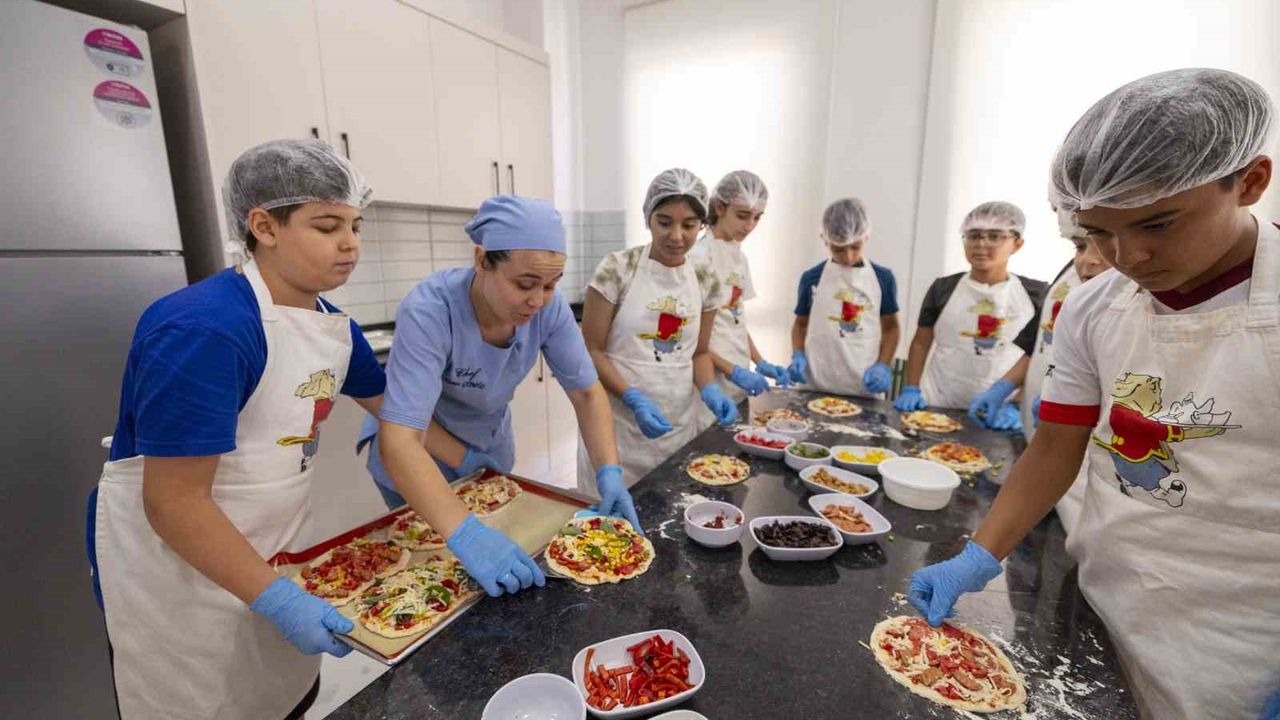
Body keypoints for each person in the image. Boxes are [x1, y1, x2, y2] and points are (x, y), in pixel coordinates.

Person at [907, 68, 1280, 720]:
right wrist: (979, 554)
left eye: (1157, 224)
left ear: (1249, 181)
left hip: (1244, 640)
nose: (1127, 256)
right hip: (1107, 598)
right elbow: (1056, 447)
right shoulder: (1091, 309)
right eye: (1098, 233)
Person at [89, 139, 385, 719]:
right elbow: (174, 502)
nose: (351, 243)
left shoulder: (331, 326)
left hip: (273, 556)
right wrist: (281, 602)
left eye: (355, 226)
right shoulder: (204, 329)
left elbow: (397, 413)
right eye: (327, 226)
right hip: (181, 579)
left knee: (283, 698)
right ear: (263, 227)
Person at [369, 195, 641, 600]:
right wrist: (466, 532)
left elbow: (586, 392)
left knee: (494, 575)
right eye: (525, 284)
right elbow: (402, 440)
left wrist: (609, 472)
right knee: (431, 582)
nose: (538, 300)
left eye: (551, 284)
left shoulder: (548, 310)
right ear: (481, 260)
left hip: (488, 448)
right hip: (417, 457)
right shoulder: (429, 310)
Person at [576, 169, 736, 492]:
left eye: (689, 225)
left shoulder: (705, 278)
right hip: (616, 428)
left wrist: (710, 390)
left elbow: (700, 352)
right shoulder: (617, 269)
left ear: (702, 225)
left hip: (676, 426)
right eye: (664, 222)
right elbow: (592, 349)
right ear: (648, 218)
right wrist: (631, 397)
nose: (676, 236)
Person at [894, 201, 1047, 431]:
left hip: (998, 413)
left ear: (1017, 244)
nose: (981, 244)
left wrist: (1016, 404)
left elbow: (1039, 355)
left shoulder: (1037, 294)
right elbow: (921, 342)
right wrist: (912, 387)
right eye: (973, 236)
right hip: (939, 405)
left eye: (994, 236)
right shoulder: (943, 288)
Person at [1011, 208, 1111, 533]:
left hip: (1086, 467)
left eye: (1103, 240)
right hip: (1043, 444)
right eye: (1080, 245)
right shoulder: (1068, 274)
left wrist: (1072, 408)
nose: (1088, 260)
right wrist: (1004, 389)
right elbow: (1038, 342)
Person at [691, 170, 791, 414]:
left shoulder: (738, 257)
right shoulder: (698, 260)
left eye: (757, 217)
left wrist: (759, 361)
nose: (750, 226)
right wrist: (732, 371)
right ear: (719, 208)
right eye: (743, 216)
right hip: (709, 381)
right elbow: (691, 339)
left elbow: (735, 319)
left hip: (738, 376)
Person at [787, 198, 901, 396]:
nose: (848, 256)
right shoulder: (812, 278)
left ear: (866, 237)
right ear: (825, 240)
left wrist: (883, 365)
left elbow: (891, 328)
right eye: (838, 249)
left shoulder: (883, 279)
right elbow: (800, 325)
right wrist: (798, 354)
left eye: (855, 246)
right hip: (816, 387)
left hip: (863, 388)